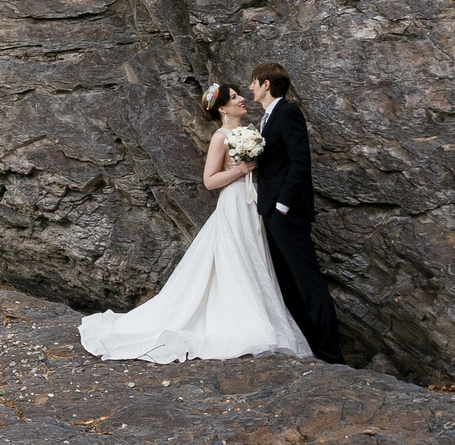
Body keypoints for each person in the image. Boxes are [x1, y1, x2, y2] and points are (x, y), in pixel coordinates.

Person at [78, 81, 313, 363]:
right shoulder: (221, 136)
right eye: (235, 97)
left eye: (240, 94)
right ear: (223, 107)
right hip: (235, 202)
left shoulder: (249, 132)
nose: (241, 99)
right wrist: (240, 169)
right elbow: (210, 181)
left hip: (254, 202)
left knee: (254, 258)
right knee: (236, 258)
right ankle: (247, 325)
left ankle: (261, 319)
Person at [247, 61, 344, 365]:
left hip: (285, 211)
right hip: (270, 210)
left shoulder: (288, 112)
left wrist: (282, 205)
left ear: (266, 84)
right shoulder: (265, 118)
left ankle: (332, 355)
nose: (250, 87)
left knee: (308, 282)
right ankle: (314, 350)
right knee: (288, 285)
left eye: (253, 81)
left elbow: (300, 162)